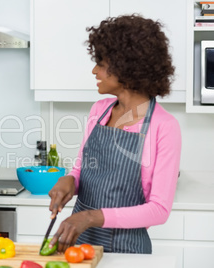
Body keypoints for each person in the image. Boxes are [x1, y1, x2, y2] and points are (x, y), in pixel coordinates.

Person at [48, 14, 181, 254]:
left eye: (101, 63)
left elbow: (159, 210)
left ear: (126, 66)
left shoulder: (164, 126)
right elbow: (82, 167)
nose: (94, 70)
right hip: (78, 243)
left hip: (126, 249)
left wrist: (91, 217)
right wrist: (70, 180)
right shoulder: (99, 111)